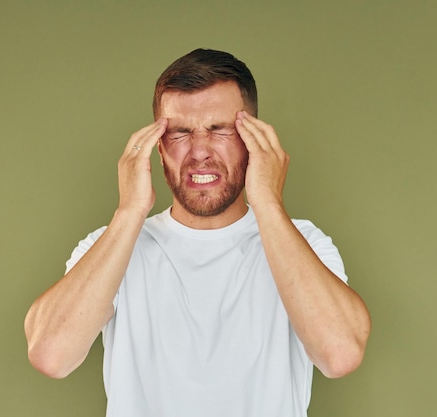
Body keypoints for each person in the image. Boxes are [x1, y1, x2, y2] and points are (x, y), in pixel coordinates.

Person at [24, 48, 371, 417]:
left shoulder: (305, 243)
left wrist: (268, 201)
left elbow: (341, 355)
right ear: (158, 149)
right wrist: (129, 211)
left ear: (253, 142)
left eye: (220, 130)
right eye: (180, 133)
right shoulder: (111, 246)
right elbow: (50, 355)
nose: (200, 151)